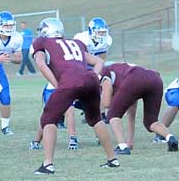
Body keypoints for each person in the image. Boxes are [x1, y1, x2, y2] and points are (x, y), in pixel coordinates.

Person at [31, 18, 119, 174]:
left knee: (48, 119)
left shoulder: (41, 42)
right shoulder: (76, 42)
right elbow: (99, 61)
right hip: (90, 80)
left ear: (45, 31)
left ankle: (48, 164)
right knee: (96, 119)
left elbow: (41, 64)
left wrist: (57, 84)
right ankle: (112, 159)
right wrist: (92, 76)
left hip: (69, 81)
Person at [101, 62, 178, 155]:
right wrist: (130, 143)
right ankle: (170, 137)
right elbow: (131, 115)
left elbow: (106, 103)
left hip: (133, 79)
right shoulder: (123, 72)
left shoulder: (104, 71)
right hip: (155, 78)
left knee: (113, 115)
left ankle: (122, 146)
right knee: (151, 122)